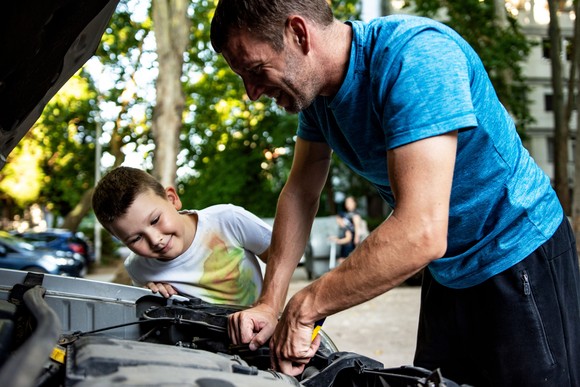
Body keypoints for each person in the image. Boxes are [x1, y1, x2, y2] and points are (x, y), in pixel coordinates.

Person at [210, 1, 580, 385]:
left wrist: (306, 306)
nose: (251, 93)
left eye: (255, 71)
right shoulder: (317, 97)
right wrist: (270, 304)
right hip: (448, 266)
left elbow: (420, 231)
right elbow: (301, 191)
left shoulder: (416, 57)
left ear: (299, 34)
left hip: (518, 250)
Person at [91, 166, 271, 306]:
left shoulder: (229, 220)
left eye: (154, 220)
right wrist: (151, 296)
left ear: (172, 198)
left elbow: (283, 258)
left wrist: (268, 306)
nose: (155, 240)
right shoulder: (138, 268)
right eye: (135, 239)